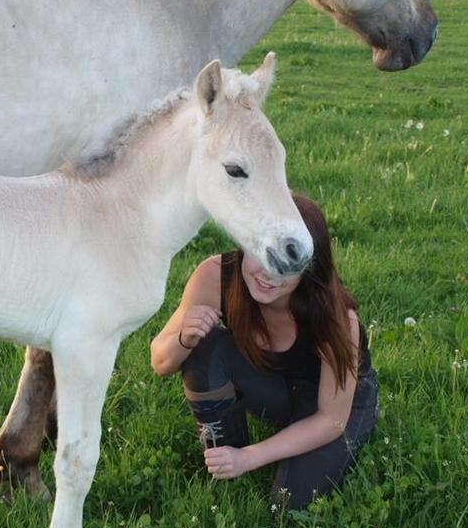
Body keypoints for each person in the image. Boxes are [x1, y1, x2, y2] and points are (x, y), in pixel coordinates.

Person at [150, 194, 378, 509]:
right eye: (261, 252)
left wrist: (251, 457)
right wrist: (185, 338)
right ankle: (222, 458)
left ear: (308, 267)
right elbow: (160, 361)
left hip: (335, 404)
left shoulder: (335, 317)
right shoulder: (215, 276)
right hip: (271, 382)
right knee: (204, 349)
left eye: (287, 262)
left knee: (289, 503)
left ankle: (242, 458)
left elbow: (330, 420)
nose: (268, 274)